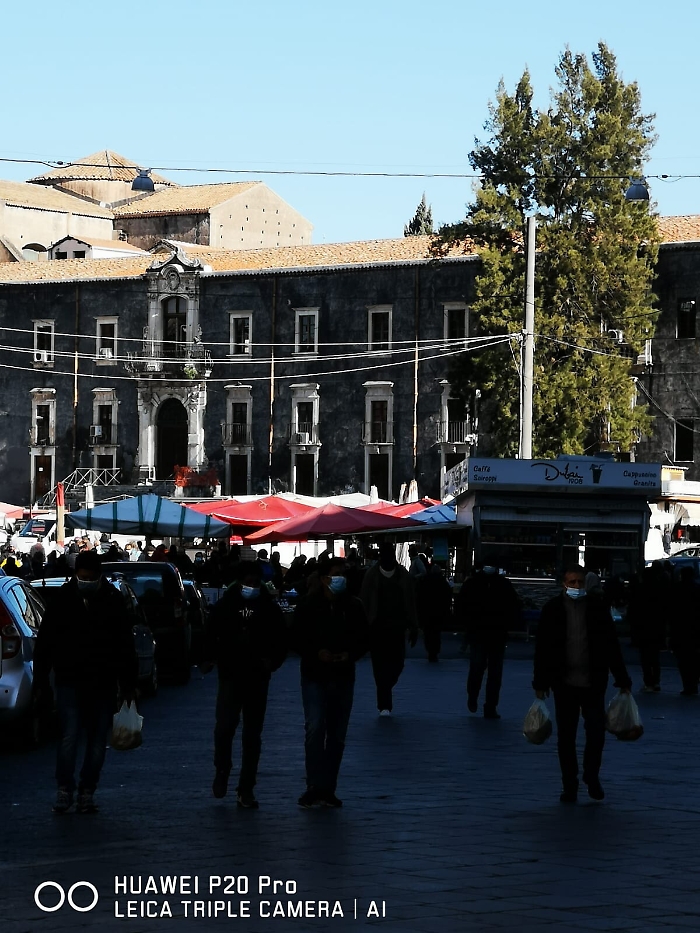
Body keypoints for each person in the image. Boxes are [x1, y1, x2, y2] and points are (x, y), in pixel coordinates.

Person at [31, 550, 138, 814]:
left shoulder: (112, 600)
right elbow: (46, 641)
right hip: (70, 680)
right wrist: (42, 679)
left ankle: (87, 790)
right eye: (82, 577)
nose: (85, 581)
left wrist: (128, 684)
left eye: (89, 577)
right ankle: (66, 789)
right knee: (70, 737)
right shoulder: (63, 599)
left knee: (96, 740)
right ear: (75, 575)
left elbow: (125, 645)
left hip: (101, 682)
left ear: (99, 576)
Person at [533, 564, 632, 803]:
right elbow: (543, 648)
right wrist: (541, 681)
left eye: (580, 582)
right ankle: (570, 784)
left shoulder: (597, 610)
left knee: (596, 732)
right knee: (566, 736)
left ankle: (591, 775)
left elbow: (611, 645)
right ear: (563, 584)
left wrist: (622, 678)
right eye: (572, 582)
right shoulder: (553, 610)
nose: (576, 587)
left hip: (593, 681)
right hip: (563, 683)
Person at [200, 560, 287, 809]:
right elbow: (210, 633)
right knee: (224, 729)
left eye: (255, 582)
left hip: (258, 677)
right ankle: (223, 769)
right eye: (248, 582)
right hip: (231, 675)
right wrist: (209, 657)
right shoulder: (226, 605)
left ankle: (246, 787)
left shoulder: (268, 608)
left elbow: (281, 639)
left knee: (252, 735)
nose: (252, 586)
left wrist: (272, 662)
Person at [291, 556, 369, 808]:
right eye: (336, 574)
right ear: (324, 578)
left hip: (343, 676)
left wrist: (350, 654)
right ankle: (314, 784)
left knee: (337, 734)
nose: (341, 579)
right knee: (315, 729)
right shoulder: (308, 605)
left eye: (343, 574)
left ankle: (328, 787)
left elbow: (363, 638)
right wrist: (317, 653)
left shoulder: (353, 606)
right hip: (315, 675)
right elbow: (297, 638)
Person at [359, 542, 418, 716]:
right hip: (376, 628)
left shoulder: (404, 576)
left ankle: (386, 687)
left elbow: (411, 602)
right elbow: (364, 601)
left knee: (398, 664)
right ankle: (384, 704)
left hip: (397, 628)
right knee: (379, 667)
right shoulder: (371, 576)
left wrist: (414, 625)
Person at [455, 564, 520, 718]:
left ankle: (474, 697)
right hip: (496, 634)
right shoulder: (503, 584)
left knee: (478, 668)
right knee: (494, 673)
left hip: (479, 634)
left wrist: (466, 627)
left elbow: (461, 606)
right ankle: (490, 706)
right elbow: (514, 606)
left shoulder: (472, 583)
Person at [669, 566, 700, 696]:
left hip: (680, 628)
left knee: (683, 659)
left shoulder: (677, 589)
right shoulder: (697, 589)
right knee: (695, 656)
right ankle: (694, 680)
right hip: (695, 627)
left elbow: (672, 610)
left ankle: (688, 684)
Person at [416, 560, 452, 662]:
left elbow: (420, 597)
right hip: (438, 612)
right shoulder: (443, 582)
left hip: (427, 612)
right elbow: (447, 597)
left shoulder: (425, 581)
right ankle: (435, 651)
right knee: (436, 633)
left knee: (428, 633)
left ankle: (430, 650)